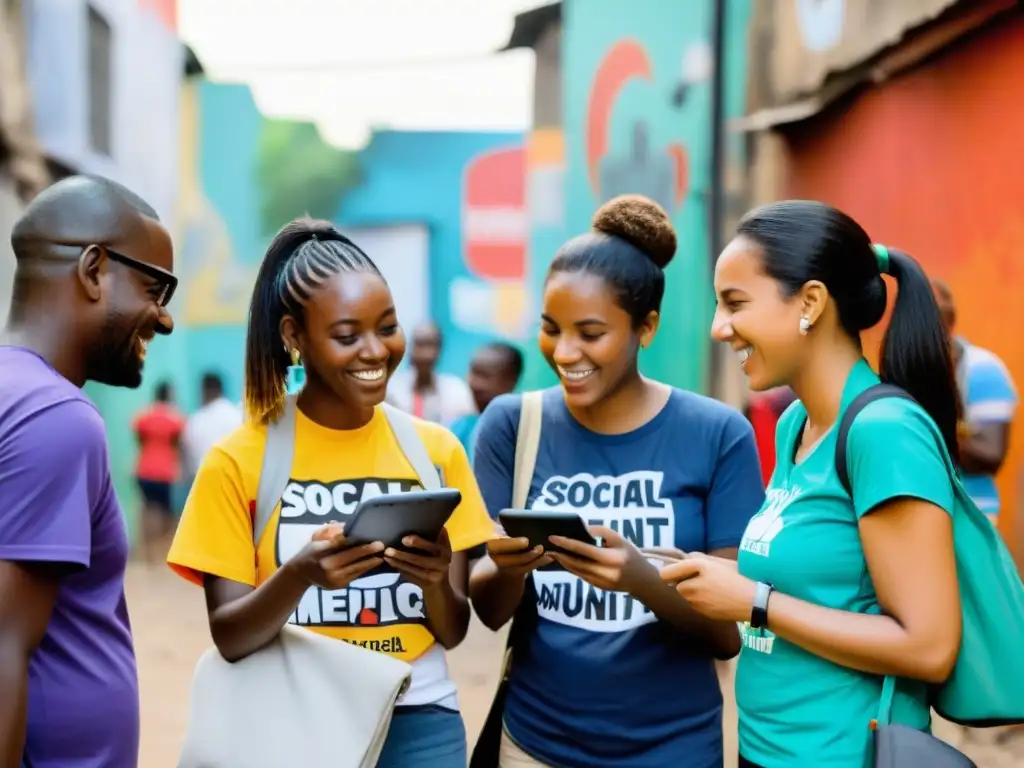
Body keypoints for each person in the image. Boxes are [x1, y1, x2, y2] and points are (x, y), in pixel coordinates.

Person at [166, 219, 496, 767]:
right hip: (295, 719)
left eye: (388, 327)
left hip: (419, 722)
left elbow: (453, 630)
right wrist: (301, 573)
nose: (376, 351)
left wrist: (437, 580)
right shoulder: (237, 459)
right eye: (347, 335)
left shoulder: (438, 453)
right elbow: (230, 635)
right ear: (294, 336)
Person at [662, 200, 961, 767]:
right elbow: (816, 582)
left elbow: (929, 646)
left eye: (735, 303)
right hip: (766, 749)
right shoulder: (797, 423)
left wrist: (754, 601)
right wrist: (715, 576)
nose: (718, 328)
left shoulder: (884, 432)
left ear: (811, 302)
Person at [470, 195, 765, 768]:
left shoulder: (717, 434)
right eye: (551, 329)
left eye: (591, 332)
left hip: (672, 750)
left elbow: (727, 636)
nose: (566, 352)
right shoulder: (512, 424)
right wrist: (508, 567)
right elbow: (485, 608)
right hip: (535, 746)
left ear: (646, 327)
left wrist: (642, 581)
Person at [0, 174, 176, 767]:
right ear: (95, 269)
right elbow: (3, 648)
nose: (164, 318)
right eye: (156, 288)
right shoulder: (58, 417)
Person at [931, 278, 1017, 525]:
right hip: (921, 513)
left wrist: (932, 423)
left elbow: (990, 454)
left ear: (948, 323)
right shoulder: (906, 368)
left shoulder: (981, 369)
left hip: (972, 512)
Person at [132, 379, 186, 562]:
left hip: (144, 469)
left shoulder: (143, 416)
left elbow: (140, 440)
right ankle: (159, 551)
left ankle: (147, 551)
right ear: (169, 395)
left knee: (148, 508)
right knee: (164, 511)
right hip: (165, 471)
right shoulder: (175, 418)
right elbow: (177, 445)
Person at [387, 321, 475, 425]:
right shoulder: (393, 390)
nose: (425, 354)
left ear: (440, 349)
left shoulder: (457, 391)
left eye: (431, 345)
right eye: (420, 345)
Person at [449, 342, 524, 458]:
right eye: (473, 372)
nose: (475, 383)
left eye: (484, 376)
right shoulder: (461, 427)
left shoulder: (522, 431)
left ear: (511, 380)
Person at [181, 371, 243, 481]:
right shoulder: (236, 415)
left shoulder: (195, 421)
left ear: (203, 391)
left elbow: (188, 461)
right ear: (221, 389)